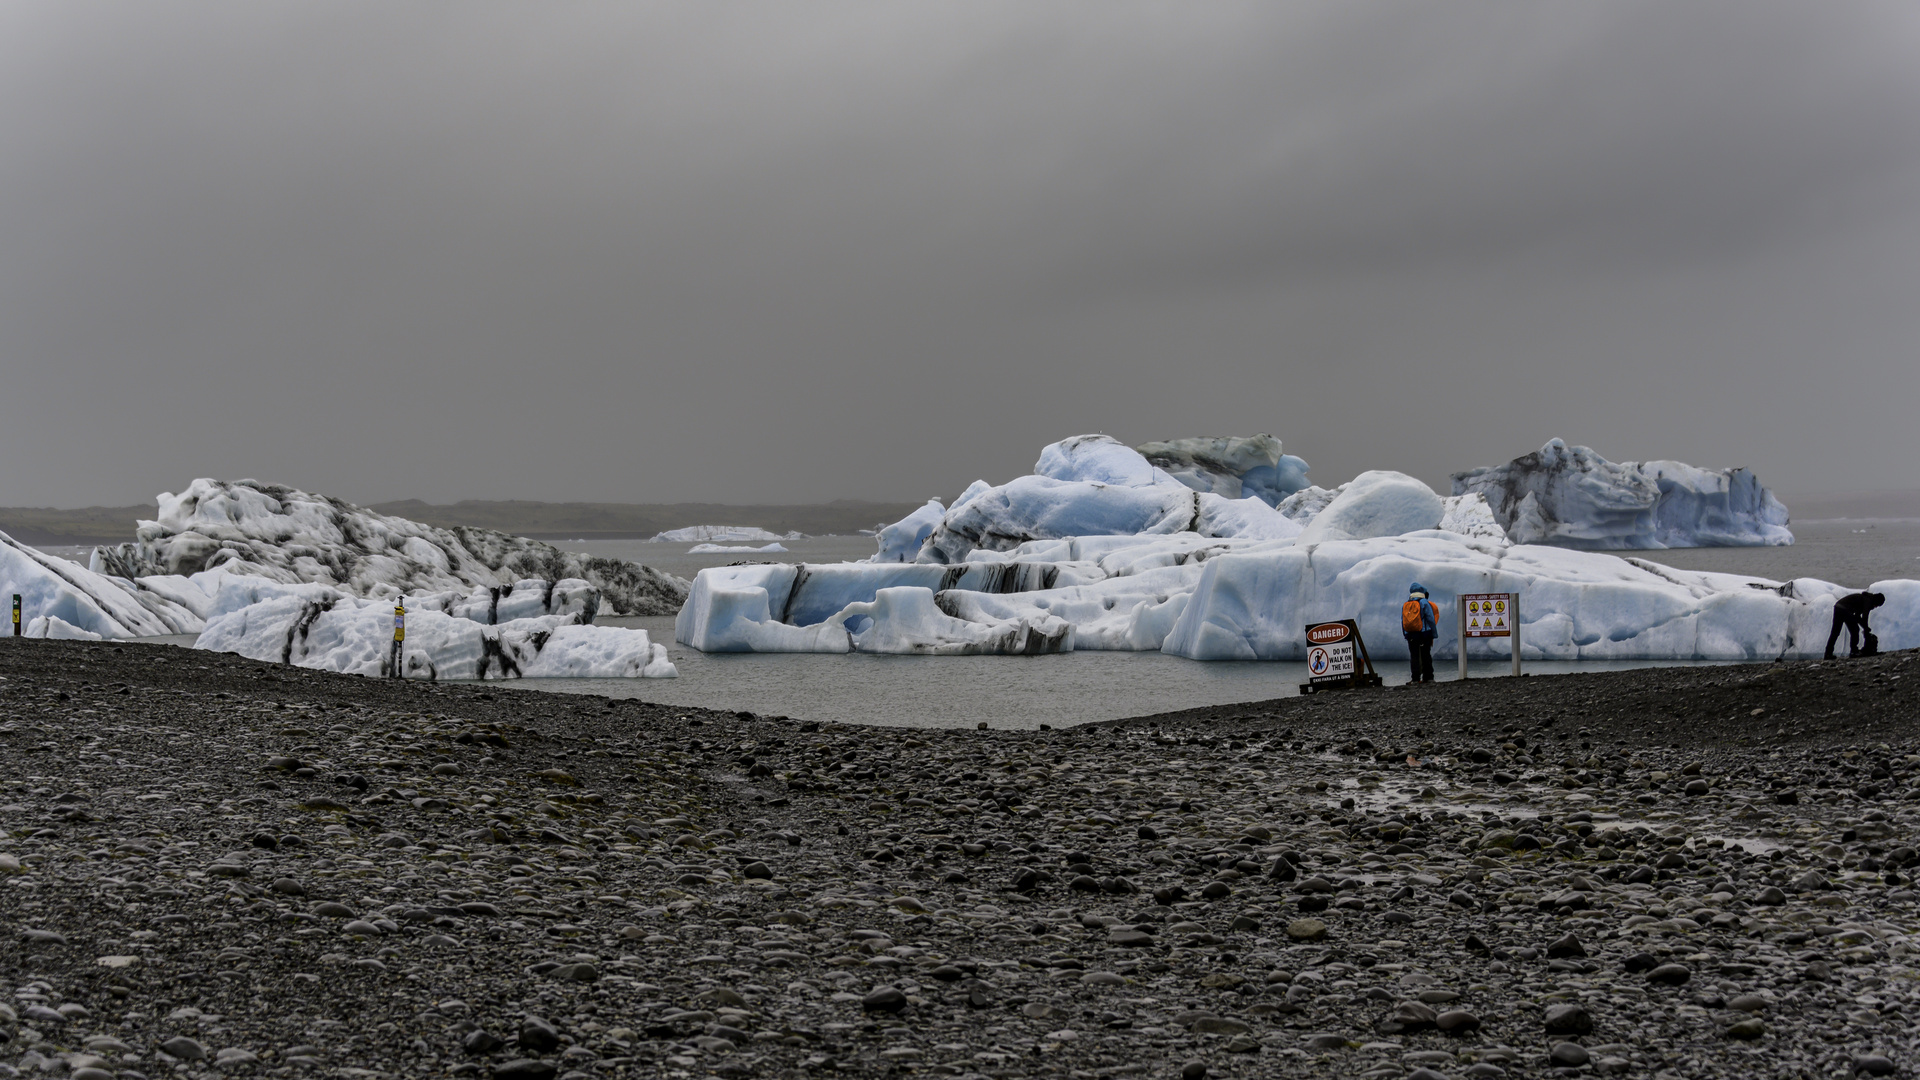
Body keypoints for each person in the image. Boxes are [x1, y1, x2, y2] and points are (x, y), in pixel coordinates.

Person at [1826, 591, 1886, 659]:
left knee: (1835, 632)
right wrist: (1866, 628)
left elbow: (1857, 616)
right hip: (1845, 609)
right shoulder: (1868, 601)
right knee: (1855, 630)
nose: (1876, 607)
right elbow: (1865, 616)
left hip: (1838, 607)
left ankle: (1828, 653)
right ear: (1876, 601)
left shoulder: (1864, 598)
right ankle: (1854, 651)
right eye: (1877, 605)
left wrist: (1865, 627)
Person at [1401, 582, 1440, 683]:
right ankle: (1428, 677)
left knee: (1414, 656)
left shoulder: (1406, 604)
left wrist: (1406, 634)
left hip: (1411, 634)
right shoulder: (1423, 602)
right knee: (1425, 655)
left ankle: (1415, 678)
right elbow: (1430, 618)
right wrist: (1433, 633)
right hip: (1424, 634)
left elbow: (1403, 620)